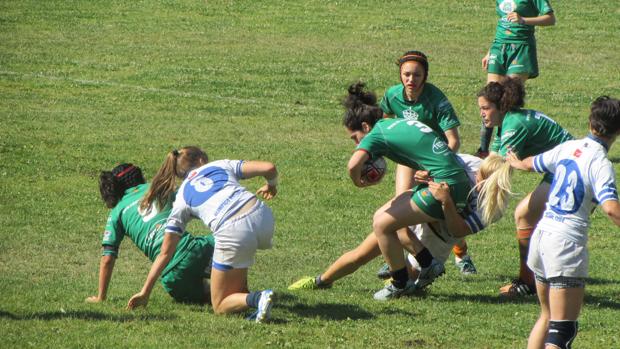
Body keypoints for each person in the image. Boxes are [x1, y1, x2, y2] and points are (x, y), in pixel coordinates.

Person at [288, 154, 511, 293]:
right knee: (362, 253)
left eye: (482, 180)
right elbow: (434, 163)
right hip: (422, 210)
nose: (476, 180)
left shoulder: (494, 207)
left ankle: (419, 272)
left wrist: (446, 202)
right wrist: (425, 175)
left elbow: (456, 229)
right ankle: (320, 281)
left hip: (438, 237)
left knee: (406, 287)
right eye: (477, 175)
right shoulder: (470, 164)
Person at [507, 96, 620, 349]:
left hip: (542, 236)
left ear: (591, 122)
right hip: (565, 245)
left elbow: (531, 164)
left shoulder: (568, 147)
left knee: (546, 317)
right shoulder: (600, 163)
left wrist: (515, 162)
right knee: (562, 329)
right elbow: (611, 209)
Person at [125, 147, 278, 323]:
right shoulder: (220, 164)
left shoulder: (181, 198)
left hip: (234, 232)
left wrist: (145, 292)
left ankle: (258, 298)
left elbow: (165, 253)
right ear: (200, 160)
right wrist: (271, 186)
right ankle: (248, 301)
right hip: (263, 217)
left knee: (219, 305)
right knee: (236, 266)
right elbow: (269, 167)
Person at [380, 51, 476, 275]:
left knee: (441, 213)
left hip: (436, 160)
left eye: (416, 75)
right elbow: (385, 124)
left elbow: (453, 141)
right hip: (409, 159)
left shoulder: (436, 100)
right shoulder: (392, 95)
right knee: (399, 211)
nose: (411, 80)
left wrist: (434, 167)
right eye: (406, 75)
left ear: (425, 76)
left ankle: (461, 253)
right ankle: (411, 258)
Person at [477, 77, 573, 296]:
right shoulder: (507, 122)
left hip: (570, 170)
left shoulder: (514, 124)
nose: (482, 113)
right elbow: (492, 160)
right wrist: (481, 176)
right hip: (560, 169)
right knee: (532, 219)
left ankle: (528, 282)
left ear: (500, 106)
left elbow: (502, 168)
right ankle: (534, 278)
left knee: (524, 215)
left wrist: (480, 187)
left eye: (485, 108)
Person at [86, 163, 215, 305]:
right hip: (194, 250)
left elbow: (107, 258)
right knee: (233, 244)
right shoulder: (154, 188)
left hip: (173, 277)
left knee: (212, 298)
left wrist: (100, 297)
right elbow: (192, 200)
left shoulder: (117, 212)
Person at [477, 0, 556, 159]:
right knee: (489, 98)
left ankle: (502, 148)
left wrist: (524, 20)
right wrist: (490, 50)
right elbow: (502, 22)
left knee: (507, 100)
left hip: (521, 48)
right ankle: (483, 150)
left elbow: (550, 19)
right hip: (499, 47)